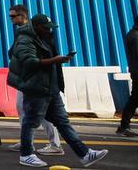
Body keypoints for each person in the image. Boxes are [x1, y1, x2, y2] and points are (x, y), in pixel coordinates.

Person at [9, 13, 107, 168]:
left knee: (62, 122)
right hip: (36, 88)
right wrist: (55, 60)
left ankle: (85, 154)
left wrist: (58, 61)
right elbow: (29, 62)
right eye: (46, 28)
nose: (49, 31)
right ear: (37, 27)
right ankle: (26, 155)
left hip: (50, 88)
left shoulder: (43, 37)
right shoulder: (24, 39)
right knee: (31, 122)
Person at [6, 5, 63, 156]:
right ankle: (26, 141)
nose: (11, 19)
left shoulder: (35, 31)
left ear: (23, 16)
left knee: (41, 112)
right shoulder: (23, 32)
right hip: (25, 76)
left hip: (35, 78)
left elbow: (43, 54)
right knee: (22, 108)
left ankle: (55, 144)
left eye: (13, 16)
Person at [121, 17, 138, 137]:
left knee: (135, 99)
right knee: (134, 99)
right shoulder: (135, 37)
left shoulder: (132, 34)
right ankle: (124, 126)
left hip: (135, 72)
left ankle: (124, 126)